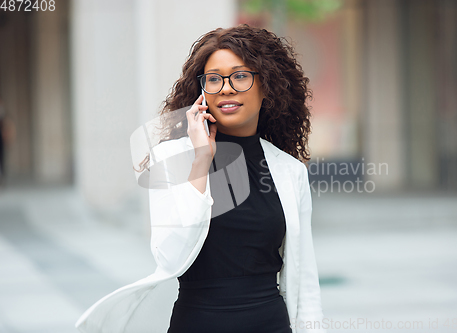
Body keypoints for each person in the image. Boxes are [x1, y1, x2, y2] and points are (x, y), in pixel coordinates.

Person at [75, 24, 326, 333]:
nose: (226, 87)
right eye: (214, 79)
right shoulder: (171, 158)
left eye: (240, 75)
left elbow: (305, 277)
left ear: (268, 86)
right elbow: (170, 256)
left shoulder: (289, 171)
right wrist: (200, 161)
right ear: (202, 92)